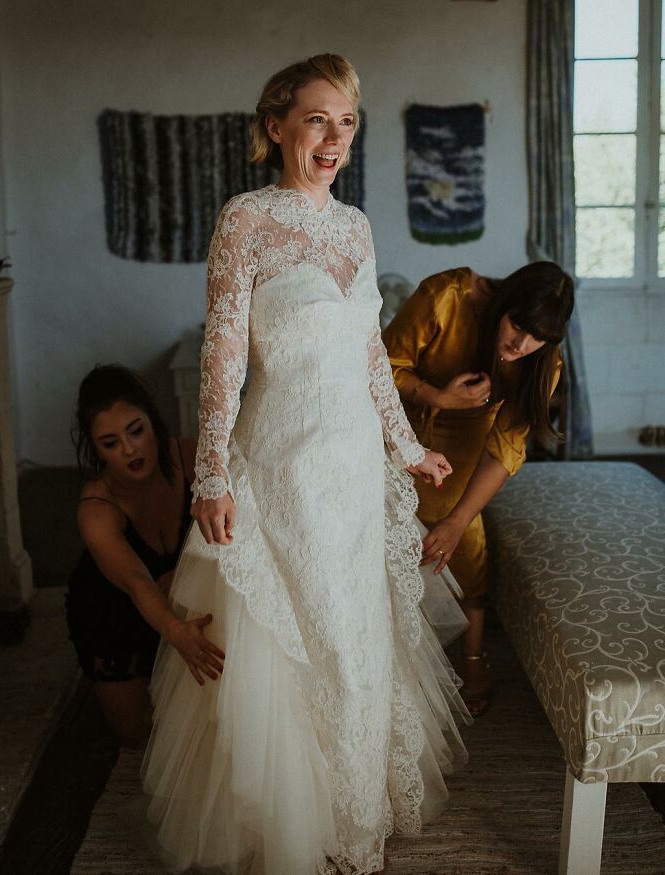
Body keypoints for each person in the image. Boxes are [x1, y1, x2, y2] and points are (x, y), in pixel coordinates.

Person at [142, 54, 469, 875]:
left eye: (346, 122)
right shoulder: (246, 219)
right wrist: (211, 472)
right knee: (315, 643)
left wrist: (407, 446)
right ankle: (311, 831)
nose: (333, 138)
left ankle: (354, 819)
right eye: (317, 119)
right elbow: (223, 353)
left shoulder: (355, 226)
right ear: (276, 126)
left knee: (361, 638)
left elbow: (369, 353)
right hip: (284, 464)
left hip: (354, 469)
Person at [382, 263, 574, 717]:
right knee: (380, 553)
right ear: (503, 302)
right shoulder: (445, 297)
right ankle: (384, 660)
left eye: (537, 338)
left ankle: (473, 658)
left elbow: (505, 448)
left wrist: (457, 520)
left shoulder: (543, 362)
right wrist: (437, 397)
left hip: (464, 459)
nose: (521, 345)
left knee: (466, 546)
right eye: (517, 327)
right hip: (395, 438)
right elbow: (380, 368)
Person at [66, 365, 224, 748]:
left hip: (181, 594)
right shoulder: (97, 508)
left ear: (153, 420)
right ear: (95, 449)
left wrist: (183, 581)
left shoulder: (189, 456)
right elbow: (138, 584)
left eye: (136, 431)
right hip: (114, 612)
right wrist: (177, 634)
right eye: (110, 443)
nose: (129, 449)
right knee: (139, 736)